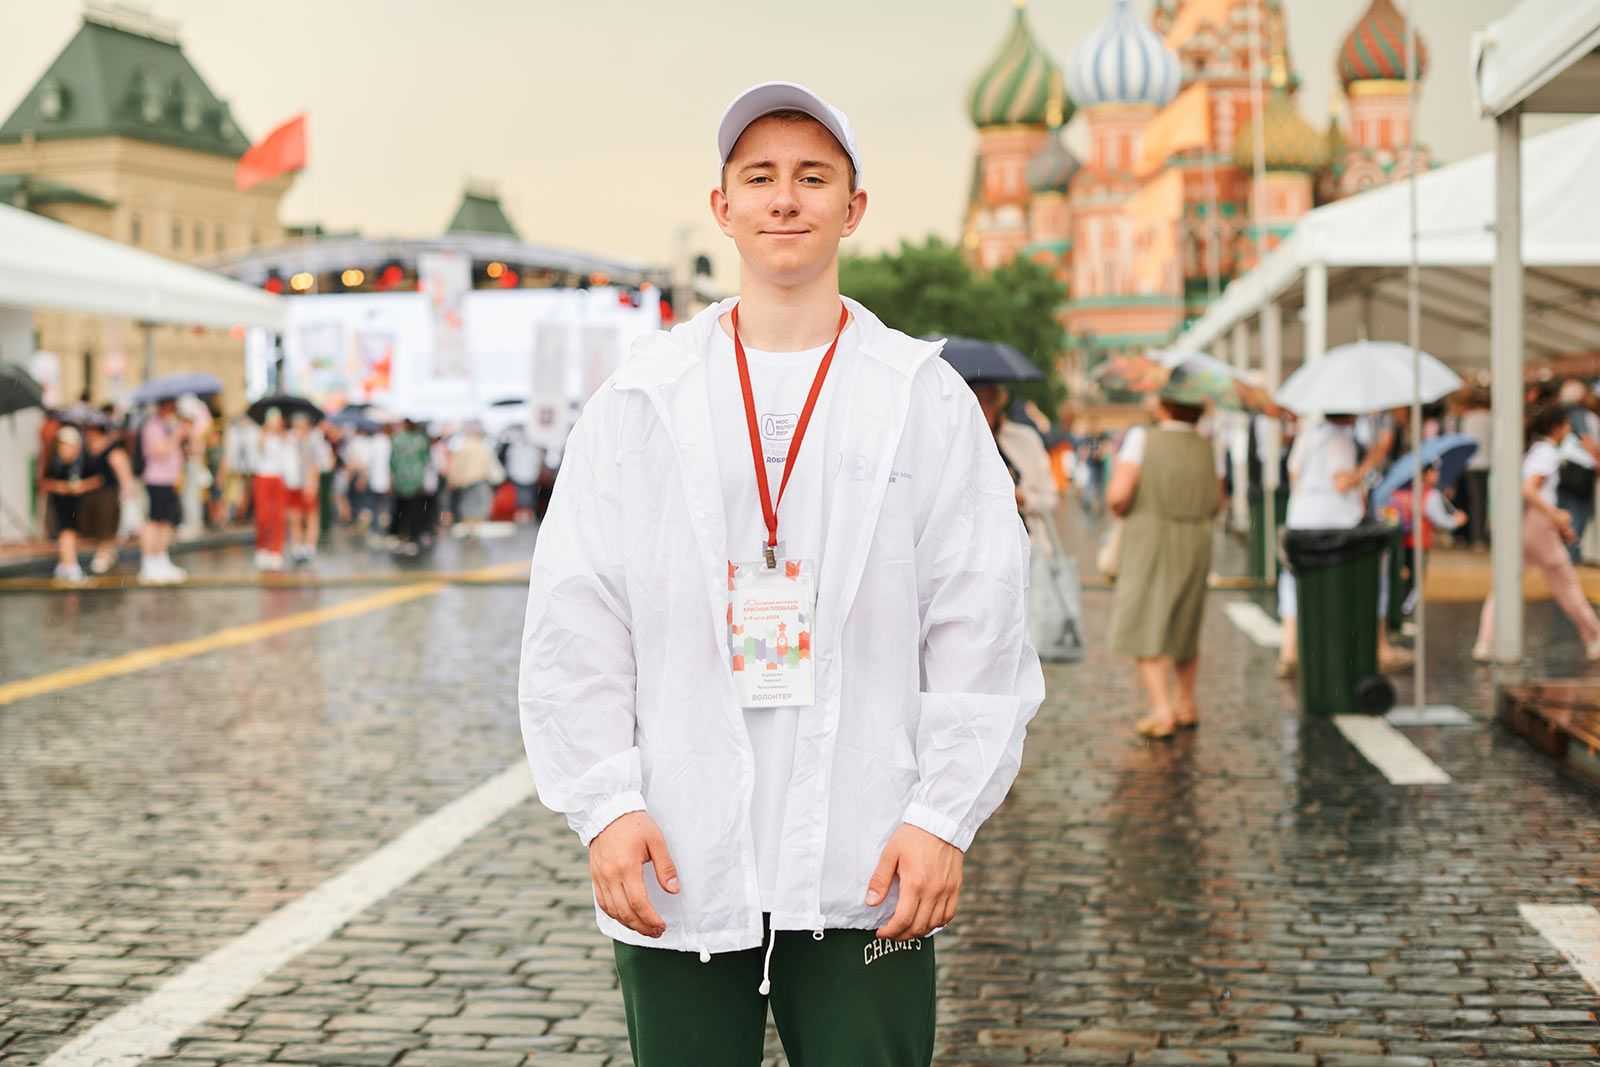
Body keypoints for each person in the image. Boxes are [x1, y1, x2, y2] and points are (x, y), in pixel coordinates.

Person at [518, 81, 1042, 1067]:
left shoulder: (920, 397)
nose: (786, 199)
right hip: (678, 848)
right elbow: (578, 613)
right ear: (723, 207)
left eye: (813, 177)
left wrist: (941, 816)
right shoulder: (643, 397)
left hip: (870, 849)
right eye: (759, 178)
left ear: (853, 206)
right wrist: (607, 804)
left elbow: (979, 616)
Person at [1105, 390, 1222, 738]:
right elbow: (1217, 501)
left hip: (1150, 536)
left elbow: (1118, 495)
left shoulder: (1142, 439)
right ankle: (1185, 703)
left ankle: (1161, 711)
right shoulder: (1207, 446)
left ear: (1165, 405)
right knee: (1186, 623)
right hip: (1197, 538)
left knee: (1144, 621)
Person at [1276, 413, 1410, 676]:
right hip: (1336, 522)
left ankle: (1289, 651)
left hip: (1300, 517)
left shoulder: (1308, 433)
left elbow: (1294, 473)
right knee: (1371, 577)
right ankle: (1379, 648)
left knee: (1293, 582)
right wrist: (1372, 460)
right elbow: (1342, 482)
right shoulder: (1340, 440)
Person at [1474, 404, 1600, 661]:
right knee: (1566, 583)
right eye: (1566, 425)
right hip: (1538, 526)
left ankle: (1485, 642)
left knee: (1504, 585)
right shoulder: (1546, 453)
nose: (1569, 429)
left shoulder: (1535, 451)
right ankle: (1594, 636)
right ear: (1557, 428)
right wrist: (1555, 516)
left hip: (1523, 525)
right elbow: (1530, 490)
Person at [1388, 463, 1467, 618]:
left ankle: (1398, 612)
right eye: (1434, 471)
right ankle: (1405, 613)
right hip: (1419, 544)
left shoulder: (1401, 492)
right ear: (1426, 473)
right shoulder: (1431, 495)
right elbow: (1441, 520)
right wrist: (1456, 521)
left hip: (1400, 543)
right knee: (1416, 583)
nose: (1437, 474)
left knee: (1402, 579)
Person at [41, 425, 102, 582]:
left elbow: (97, 479)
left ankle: (64, 566)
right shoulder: (53, 461)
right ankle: (70, 567)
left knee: (72, 533)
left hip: (77, 503)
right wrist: (61, 487)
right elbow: (44, 482)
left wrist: (82, 486)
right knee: (66, 532)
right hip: (60, 502)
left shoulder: (83, 460)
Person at [138, 397, 187, 583]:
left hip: (171, 480)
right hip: (157, 480)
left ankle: (161, 557)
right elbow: (159, 452)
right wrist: (176, 435)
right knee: (154, 521)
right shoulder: (153, 426)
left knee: (167, 521)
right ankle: (149, 561)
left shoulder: (170, 426)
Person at [80, 416, 136, 575]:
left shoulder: (112, 449)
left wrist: (128, 494)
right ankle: (106, 554)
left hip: (108, 493)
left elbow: (124, 472)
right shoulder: (88, 448)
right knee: (96, 527)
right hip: (92, 494)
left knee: (107, 526)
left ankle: (104, 555)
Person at [1555, 378, 1600, 562]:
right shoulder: (1580, 414)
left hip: (1566, 468)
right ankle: (1572, 554)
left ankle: (1567, 553)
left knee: (1567, 509)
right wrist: (1597, 461)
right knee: (1578, 511)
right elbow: (1586, 439)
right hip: (1581, 469)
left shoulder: (1563, 414)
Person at [252, 409, 290, 571]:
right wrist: (264, 434)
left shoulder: (285, 438)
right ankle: (262, 548)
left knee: (278, 516)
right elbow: (258, 451)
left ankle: (276, 550)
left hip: (279, 478)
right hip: (263, 477)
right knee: (263, 516)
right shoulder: (261, 435)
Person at [389, 419, 430, 555]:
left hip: (401, 480)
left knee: (401, 510)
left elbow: (392, 462)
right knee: (414, 511)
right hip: (416, 480)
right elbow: (426, 460)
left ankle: (400, 536)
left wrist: (392, 479)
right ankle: (413, 537)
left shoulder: (398, 439)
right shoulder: (421, 440)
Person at [1459, 389, 1492, 548]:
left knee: (1475, 501)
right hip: (1486, 463)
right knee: (1483, 501)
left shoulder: (1468, 418)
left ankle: (1476, 535)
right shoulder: (1490, 418)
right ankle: (1480, 535)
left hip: (1471, 464)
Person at [500, 423, 542, 524]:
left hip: (524, 476)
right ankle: (524, 517)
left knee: (524, 499)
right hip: (525, 476)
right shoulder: (529, 448)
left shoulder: (517, 448)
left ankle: (524, 517)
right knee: (524, 498)